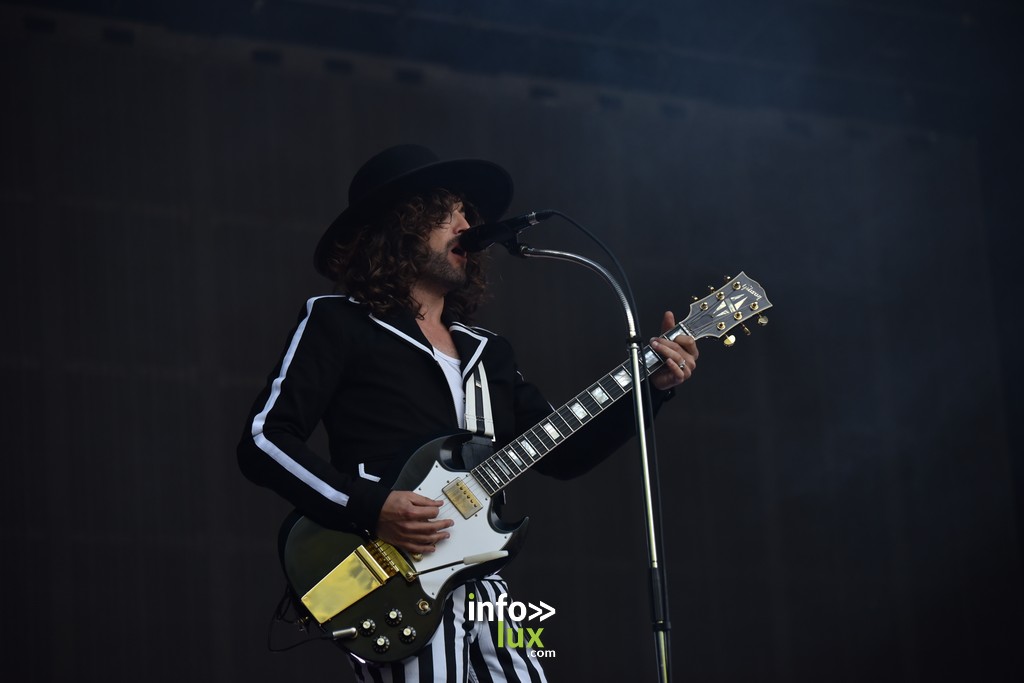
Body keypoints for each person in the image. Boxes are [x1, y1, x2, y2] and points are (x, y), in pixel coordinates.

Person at [237, 144, 698, 682]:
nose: (466, 226)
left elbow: (566, 453)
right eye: (445, 213)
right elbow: (264, 439)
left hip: (484, 582)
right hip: (387, 577)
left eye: (467, 213)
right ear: (398, 228)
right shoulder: (338, 322)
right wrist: (371, 505)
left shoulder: (488, 350)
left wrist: (651, 388)